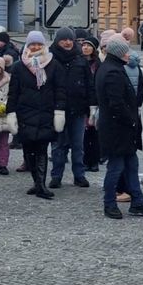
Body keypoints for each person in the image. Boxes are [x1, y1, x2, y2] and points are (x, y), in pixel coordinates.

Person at [95, 35, 143, 220]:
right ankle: (109, 204)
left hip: (119, 129)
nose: (128, 54)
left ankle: (138, 202)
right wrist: (131, 120)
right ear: (119, 53)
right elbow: (116, 104)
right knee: (116, 167)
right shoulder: (113, 72)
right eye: (126, 51)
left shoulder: (108, 68)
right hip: (118, 130)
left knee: (131, 165)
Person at [9, 31, 66, 200]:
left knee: (41, 148)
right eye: (32, 44)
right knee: (28, 151)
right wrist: (10, 112)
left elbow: (60, 90)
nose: (35, 47)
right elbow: (13, 92)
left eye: (38, 44)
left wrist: (59, 109)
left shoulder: (53, 65)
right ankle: (36, 181)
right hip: (25, 112)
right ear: (27, 45)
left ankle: (41, 185)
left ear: (43, 46)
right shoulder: (19, 66)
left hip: (46, 111)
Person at [48, 27, 92, 190]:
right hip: (57, 109)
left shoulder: (81, 59)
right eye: (64, 39)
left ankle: (79, 175)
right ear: (57, 41)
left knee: (78, 145)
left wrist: (90, 106)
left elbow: (89, 84)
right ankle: (56, 176)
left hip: (78, 108)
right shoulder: (51, 59)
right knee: (58, 145)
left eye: (70, 39)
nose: (67, 42)